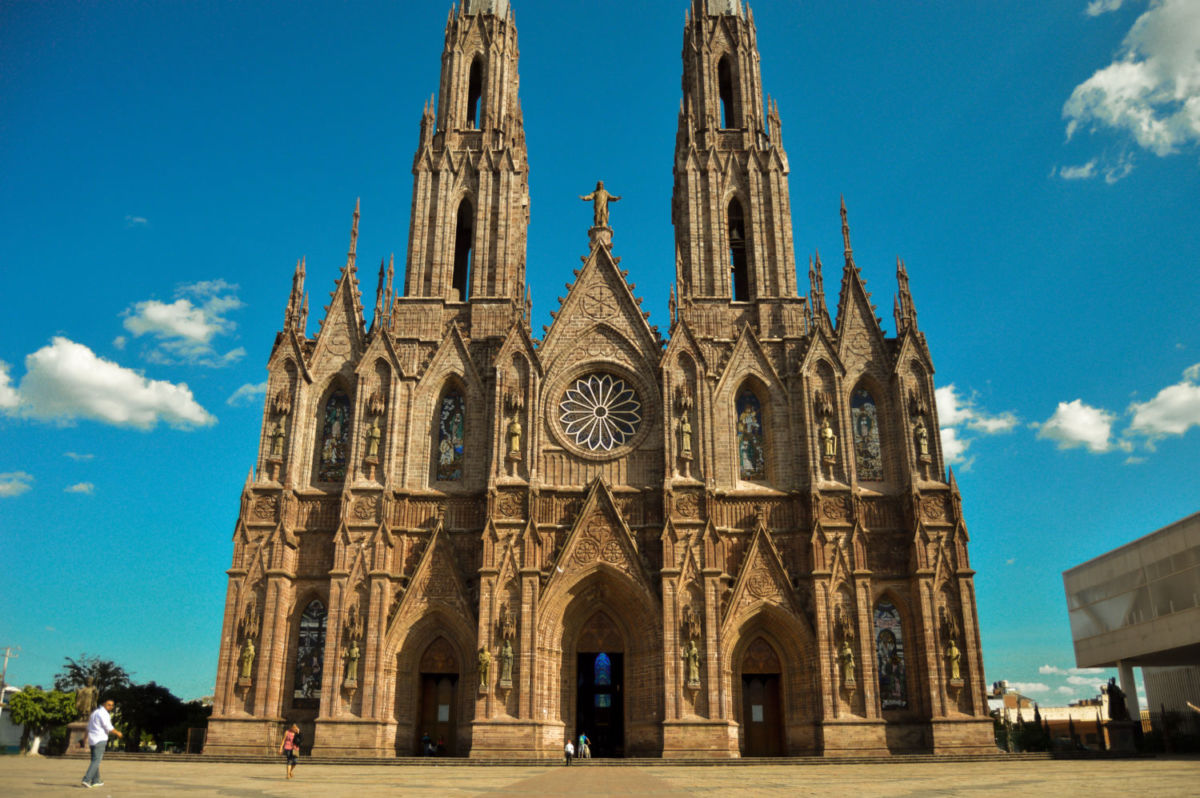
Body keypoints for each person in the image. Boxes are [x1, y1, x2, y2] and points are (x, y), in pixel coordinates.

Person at [81, 698, 123, 789]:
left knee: (94, 760)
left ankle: (96, 780)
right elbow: (108, 727)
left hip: (92, 739)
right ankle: (86, 779)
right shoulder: (103, 714)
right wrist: (118, 733)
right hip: (100, 739)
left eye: (112, 705)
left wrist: (84, 738)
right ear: (104, 704)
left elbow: (88, 727)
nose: (111, 707)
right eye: (109, 704)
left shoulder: (94, 713)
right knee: (96, 760)